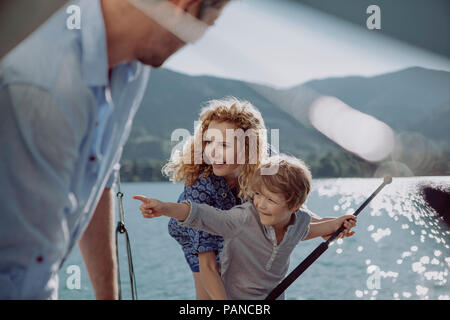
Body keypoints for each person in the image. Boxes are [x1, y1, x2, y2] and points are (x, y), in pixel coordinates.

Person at [0, 0, 229, 299]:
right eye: (204, 27)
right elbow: (22, 264)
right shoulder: (44, 81)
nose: (195, 40)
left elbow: (97, 178)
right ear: (184, 7)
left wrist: (108, 295)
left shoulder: (132, 67)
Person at [134, 154, 357, 299]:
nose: (260, 203)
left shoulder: (299, 222)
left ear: (295, 205)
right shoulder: (243, 218)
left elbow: (310, 230)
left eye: (270, 200)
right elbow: (202, 215)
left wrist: (337, 224)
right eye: (257, 194)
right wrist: (165, 208)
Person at [162, 97, 269, 299]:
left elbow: (289, 210)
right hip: (194, 235)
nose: (213, 152)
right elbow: (208, 264)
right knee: (208, 296)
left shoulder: (265, 164)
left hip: (237, 231)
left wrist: (329, 225)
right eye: (209, 141)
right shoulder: (200, 184)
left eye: (224, 144)